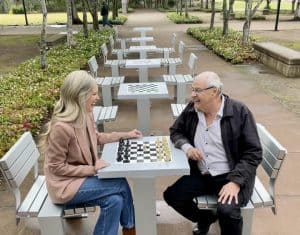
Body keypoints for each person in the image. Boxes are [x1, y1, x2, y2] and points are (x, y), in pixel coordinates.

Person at [39, 70, 142, 235]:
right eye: (93, 94)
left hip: (82, 180)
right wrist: (92, 169)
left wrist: (126, 135)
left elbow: (97, 137)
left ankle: (129, 228)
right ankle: (130, 229)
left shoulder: (86, 113)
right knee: (120, 183)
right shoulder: (61, 128)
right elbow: (56, 168)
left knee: (115, 200)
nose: (97, 97)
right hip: (64, 186)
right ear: (80, 96)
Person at [163, 71, 262, 235]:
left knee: (228, 212)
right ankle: (206, 218)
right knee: (172, 196)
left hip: (231, 175)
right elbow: (176, 131)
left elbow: (253, 152)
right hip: (203, 174)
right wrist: (188, 148)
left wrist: (235, 182)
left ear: (214, 91)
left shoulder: (239, 112)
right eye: (192, 89)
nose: (192, 95)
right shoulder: (192, 109)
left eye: (197, 90)